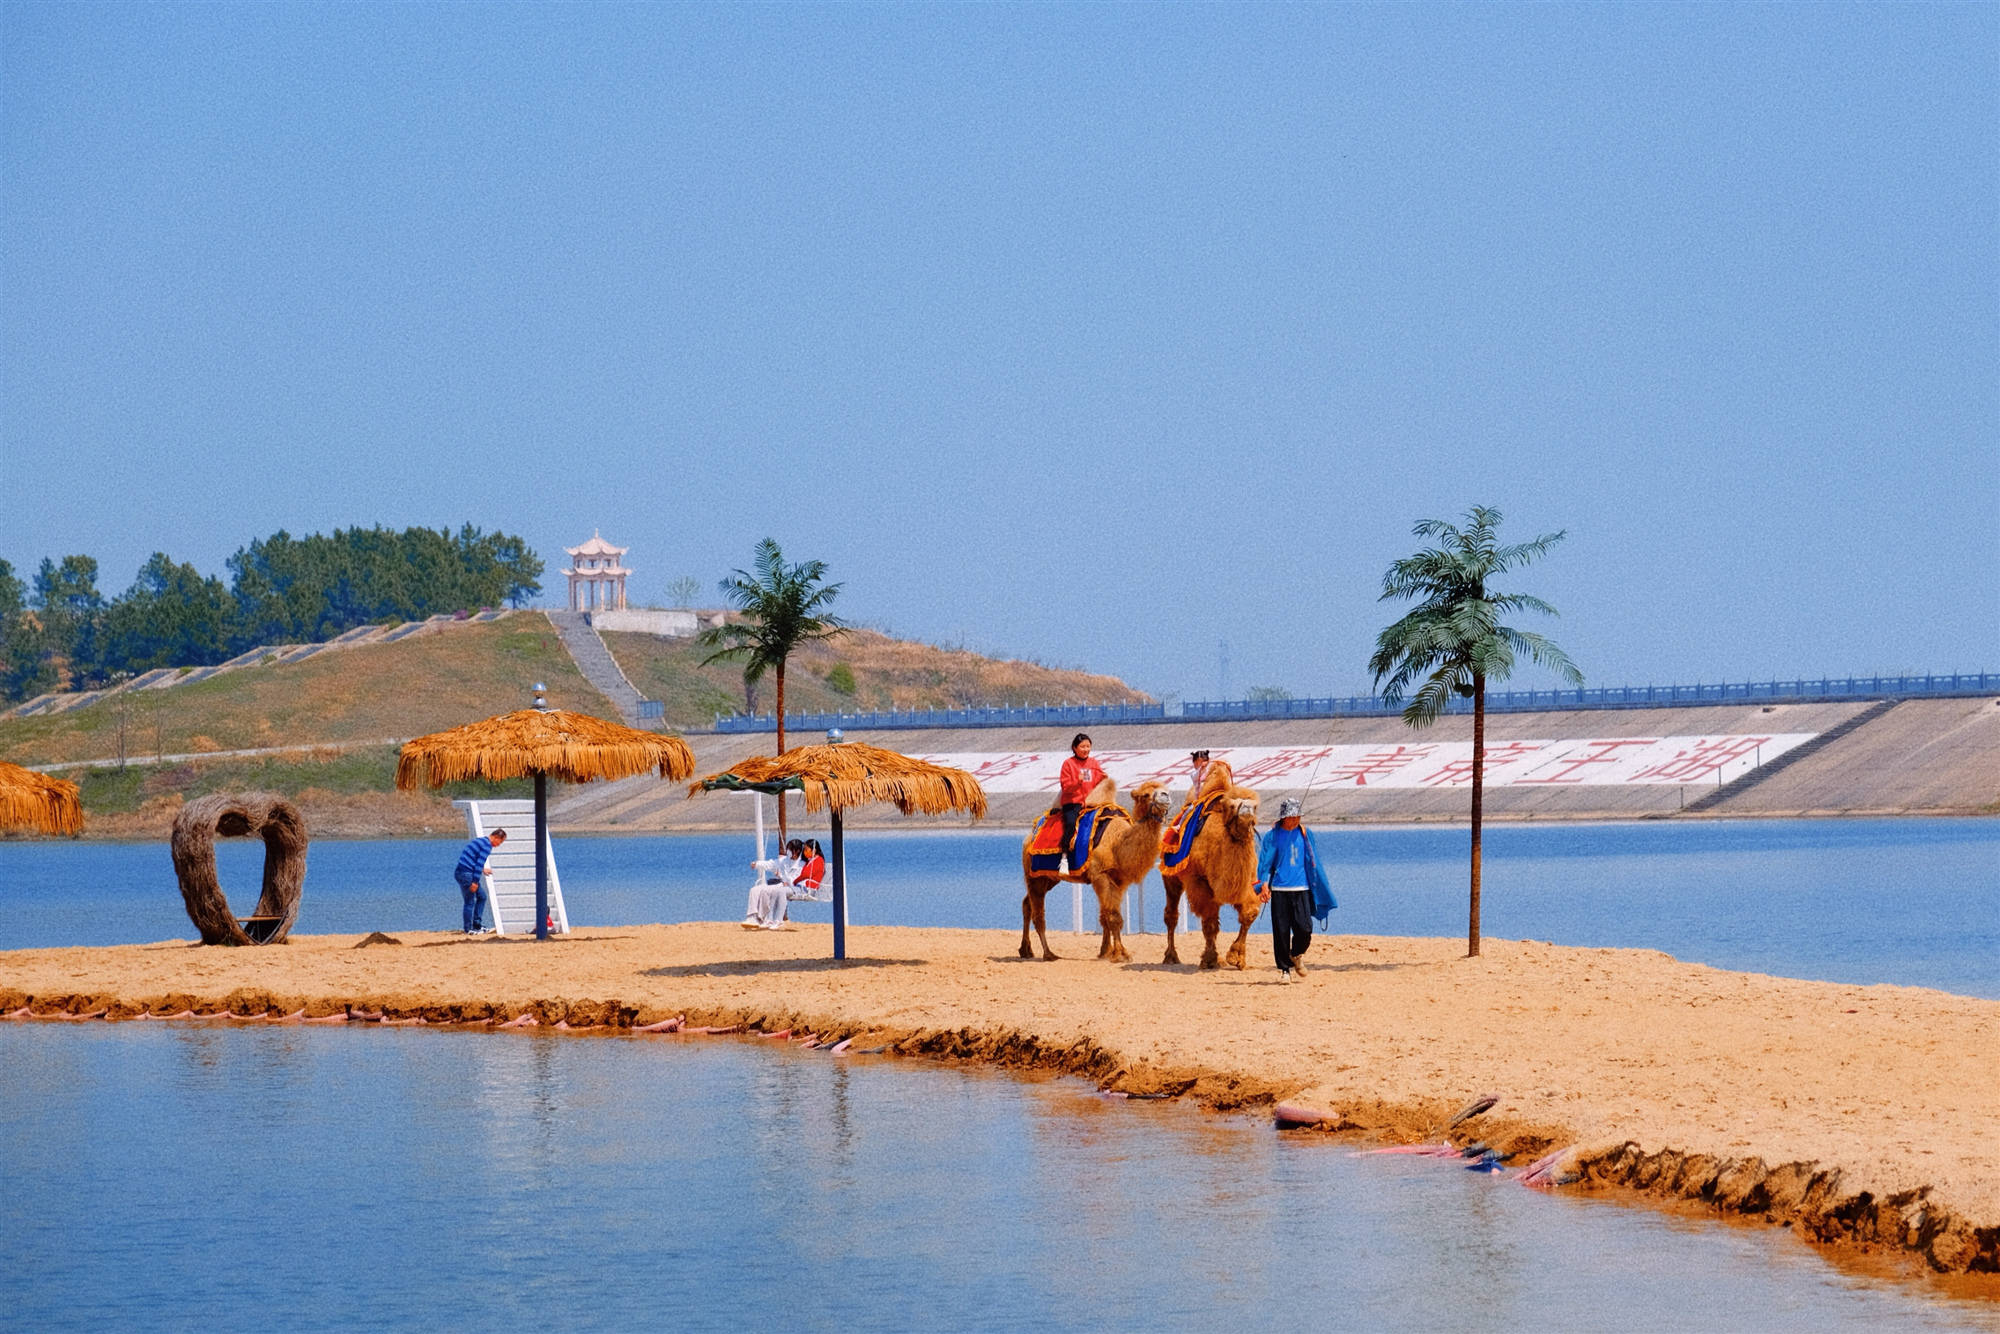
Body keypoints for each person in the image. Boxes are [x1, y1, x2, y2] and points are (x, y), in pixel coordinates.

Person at [1254, 798, 1335, 981]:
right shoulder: (1272, 836)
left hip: (1302, 888)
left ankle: (1296, 954)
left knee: (1305, 928)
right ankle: (1285, 970)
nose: (1295, 819)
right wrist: (1264, 885)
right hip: (1280, 890)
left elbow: (1313, 861)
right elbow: (1265, 863)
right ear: (1283, 817)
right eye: (1292, 816)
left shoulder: (1306, 834)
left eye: (1298, 816)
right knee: (1281, 931)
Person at [1056, 733, 1108, 871]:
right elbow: (1066, 787)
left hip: (1092, 802)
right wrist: (1077, 780)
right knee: (1071, 823)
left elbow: (1097, 782)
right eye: (1082, 746)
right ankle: (1064, 856)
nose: (1086, 749)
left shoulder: (1093, 763)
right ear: (1075, 748)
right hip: (1073, 802)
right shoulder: (1068, 764)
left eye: (1088, 746)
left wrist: (1104, 780)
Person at [454, 827, 507, 936]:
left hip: (461, 871)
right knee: (469, 901)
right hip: (466, 874)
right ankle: (468, 929)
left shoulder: (480, 841)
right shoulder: (487, 846)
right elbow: (478, 864)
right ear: (496, 837)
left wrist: (483, 870)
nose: (499, 845)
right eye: (500, 842)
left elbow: (471, 859)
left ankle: (477, 925)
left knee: (482, 897)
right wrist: (474, 882)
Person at [745, 839, 805, 929]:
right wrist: (757, 864)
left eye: (790, 849)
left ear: (797, 851)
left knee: (766, 891)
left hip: (790, 888)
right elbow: (771, 864)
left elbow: (795, 881)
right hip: (781, 884)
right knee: (755, 890)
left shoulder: (802, 864)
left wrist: (782, 877)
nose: (787, 851)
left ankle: (762, 918)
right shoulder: (785, 860)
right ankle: (751, 916)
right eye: (787, 849)